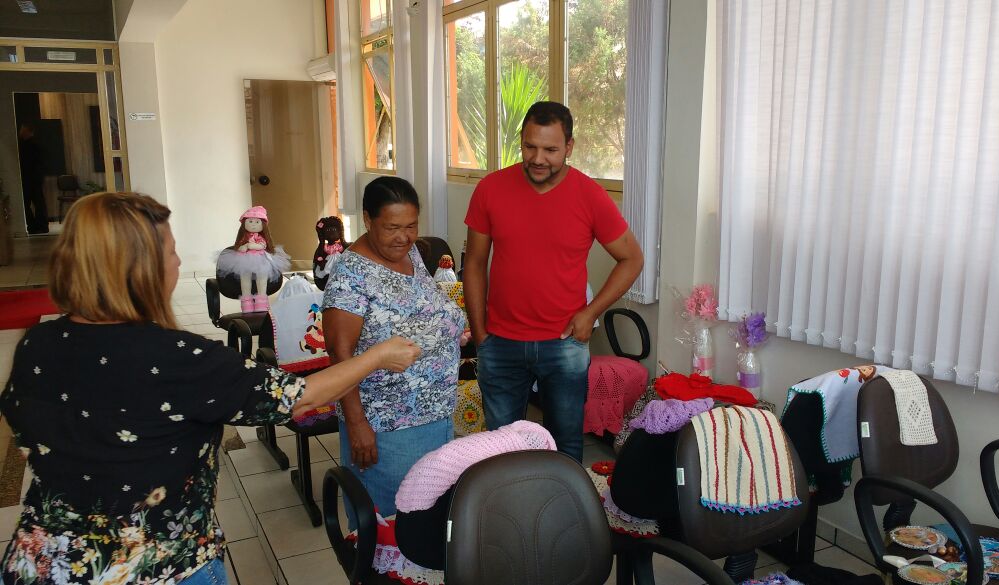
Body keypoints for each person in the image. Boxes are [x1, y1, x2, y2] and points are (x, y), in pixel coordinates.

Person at [0, 192, 420, 585]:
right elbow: (297, 396)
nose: (178, 262)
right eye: (170, 252)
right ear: (140, 269)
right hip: (160, 567)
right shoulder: (177, 358)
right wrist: (376, 357)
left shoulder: (37, 344)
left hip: (42, 563)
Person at [463, 101, 644, 462]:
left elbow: (632, 259)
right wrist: (480, 332)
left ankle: (562, 501)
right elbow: (475, 263)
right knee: (501, 450)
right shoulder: (491, 189)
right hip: (500, 342)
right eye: (529, 146)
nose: (538, 158)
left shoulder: (590, 196)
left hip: (564, 344)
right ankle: (510, 499)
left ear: (569, 147)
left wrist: (591, 312)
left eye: (550, 149)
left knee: (565, 446)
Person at [323, 176, 466, 517]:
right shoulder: (350, 275)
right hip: (388, 428)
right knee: (394, 522)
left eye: (411, 226)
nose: (403, 236)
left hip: (435, 414)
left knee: (428, 518)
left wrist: (449, 330)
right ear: (367, 219)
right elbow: (340, 356)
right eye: (392, 227)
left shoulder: (409, 252)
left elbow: (420, 307)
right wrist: (357, 425)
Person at [17, 121, 48, 234]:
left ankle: (35, 226)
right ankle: (41, 226)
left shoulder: (29, 145)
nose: (20, 131)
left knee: (29, 203)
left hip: (30, 179)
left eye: (22, 129)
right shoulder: (36, 143)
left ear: (26, 130)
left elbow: (30, 163)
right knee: (38, 203)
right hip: (35, 178)